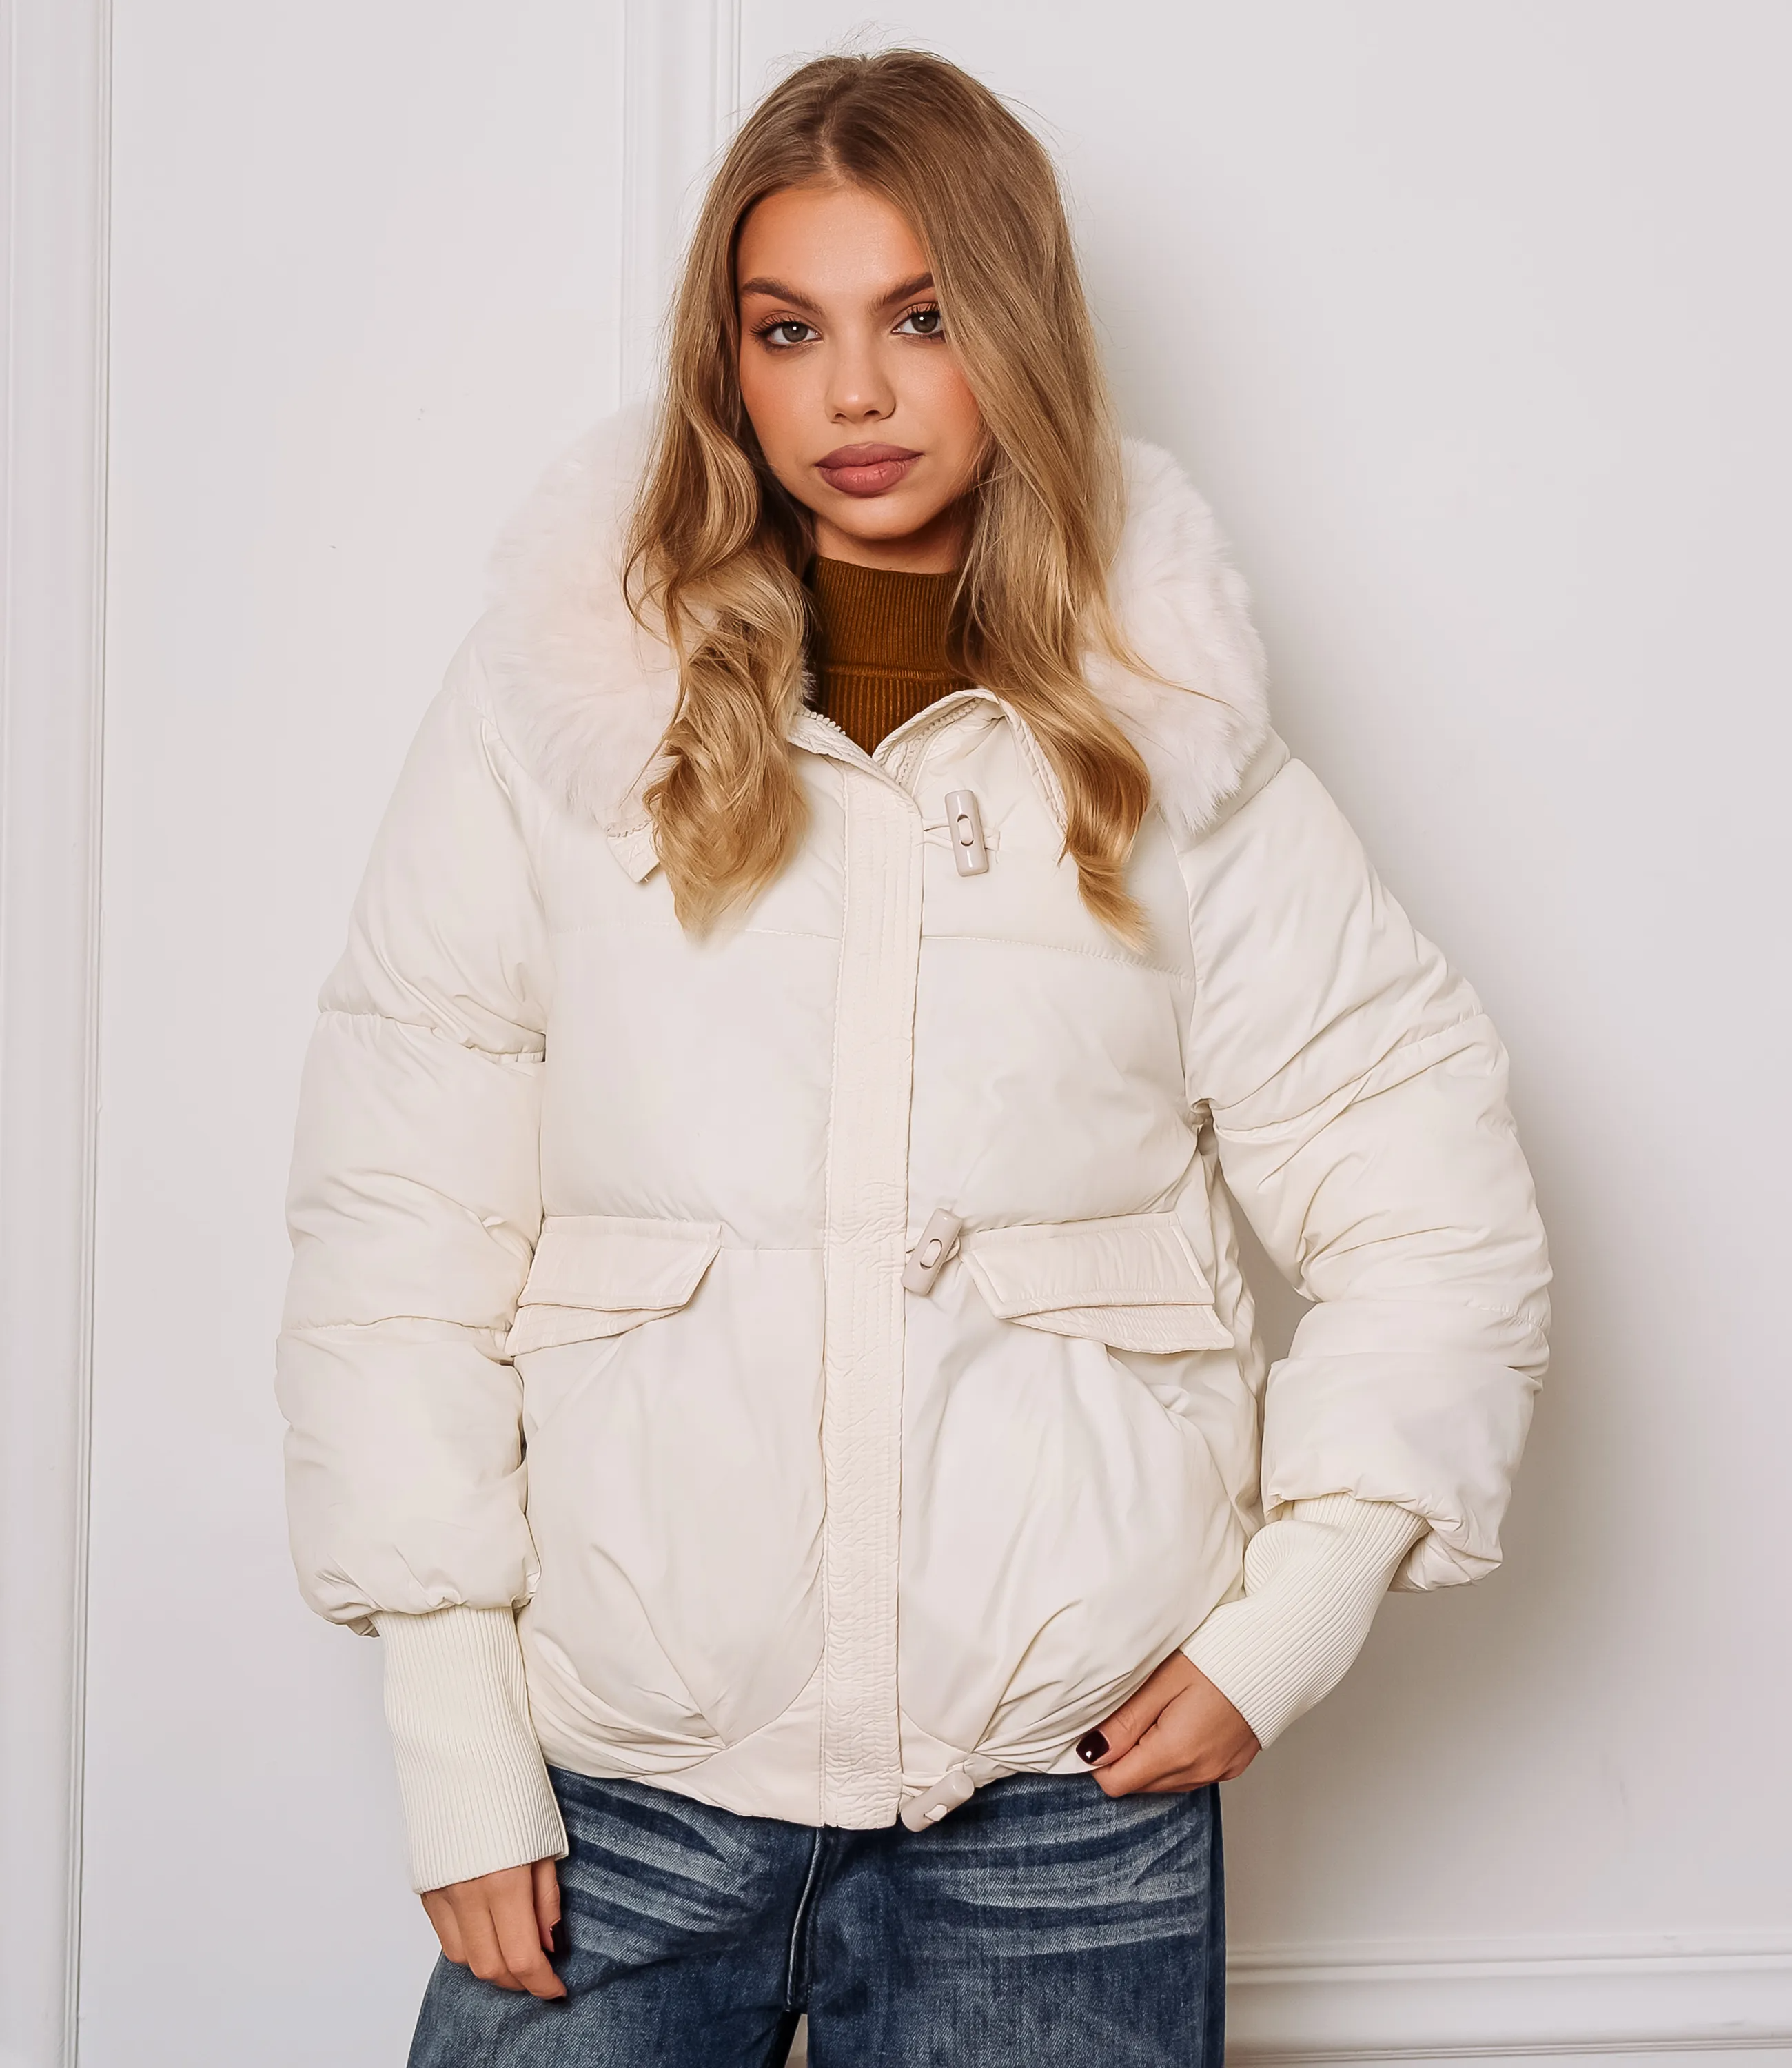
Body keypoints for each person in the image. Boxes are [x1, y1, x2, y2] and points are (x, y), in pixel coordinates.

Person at [276, 48, 1550, 2068]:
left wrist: (1298, 1611)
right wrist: (449, 1719)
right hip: (624, 1783)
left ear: (1016, 331)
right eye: (789, 328)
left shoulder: (1165, 724)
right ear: (727, 358)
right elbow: (397, 1215)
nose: (854, 394)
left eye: (923, 317)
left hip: (1064, 1805)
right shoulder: (566, 706)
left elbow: (1426, 1188)